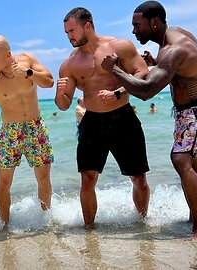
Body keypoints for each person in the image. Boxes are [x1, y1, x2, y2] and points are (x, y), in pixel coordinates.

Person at [101, 1, 197, 235]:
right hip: (190, 111)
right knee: (193, 164)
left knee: (180, 160)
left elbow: (146, 91)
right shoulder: (174, 38)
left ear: (154, 22)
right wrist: (157, 63)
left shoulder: (173, 50)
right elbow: (179, 69)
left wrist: (114, 70)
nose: (134, 31)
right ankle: (194, 219)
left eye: (137, 25)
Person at [56, 7, 151, 229]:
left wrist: (118, 92)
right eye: (66, 32)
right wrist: (61, 94)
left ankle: (142, 222)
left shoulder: (119, 46)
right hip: (92, 123)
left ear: (87, 25)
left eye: (72, 30)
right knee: (87, 178)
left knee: (138, 178)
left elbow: (143, 73)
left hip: (123, 119)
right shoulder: (70, 64)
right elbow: (63, 105)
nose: (69, 36)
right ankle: (89, 228)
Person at [0, 35, 54, 226]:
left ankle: (46, 220)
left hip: (35, 127)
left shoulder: (27, 60)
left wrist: (28, 72)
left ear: (7, 55)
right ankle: (4, 225)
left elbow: (49, 82)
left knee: (43, 177)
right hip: (10, 132)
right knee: (4, 182)